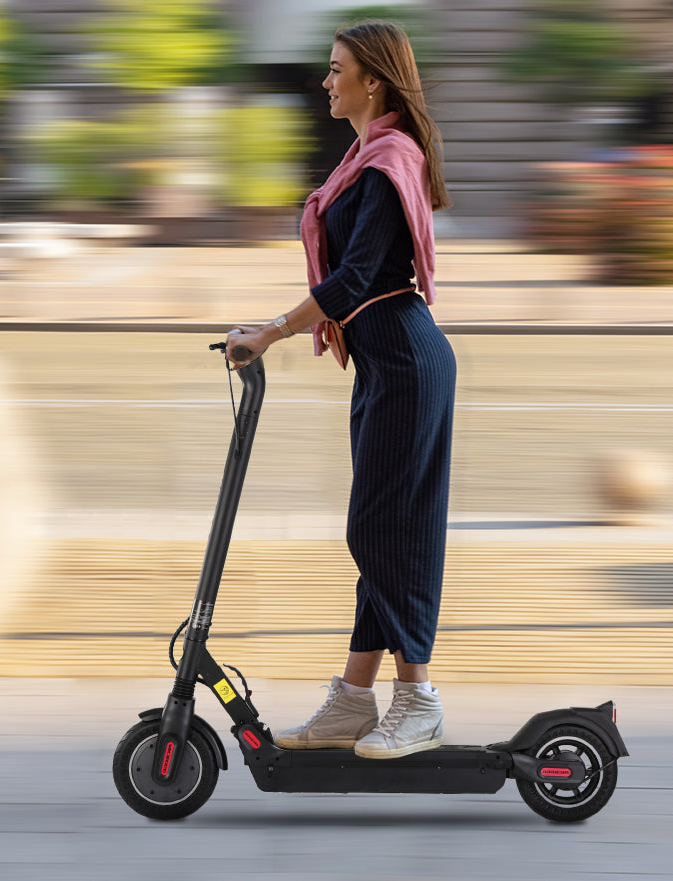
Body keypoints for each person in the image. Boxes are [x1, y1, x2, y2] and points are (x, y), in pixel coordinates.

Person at [225, 19, 455, 760]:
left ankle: (416, 698)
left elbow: (356, 279)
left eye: (336, 68)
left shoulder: (391, 159)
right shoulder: (366, 156)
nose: (326, 80)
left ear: (373, 80)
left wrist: (272, 330)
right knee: (383, 526)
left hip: (406, 360)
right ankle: (354, 700)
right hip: (383, 361)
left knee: (383, 529)